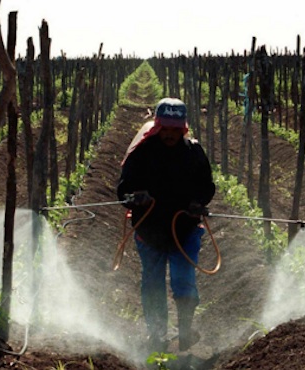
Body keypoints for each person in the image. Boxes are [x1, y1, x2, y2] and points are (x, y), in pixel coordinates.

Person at [117, 97, 216, 352]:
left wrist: (198, 202)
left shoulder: (193, 153)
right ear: (158, 126)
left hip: (185, 229)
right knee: (152, 284)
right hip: (149, 231)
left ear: (183, 128)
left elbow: (207, 187)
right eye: (166, 128)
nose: (170, 134)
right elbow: (123, 190)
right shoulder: (141, 154)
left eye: (176, 129)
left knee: (184, 280)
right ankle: (157, 335)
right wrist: (135, 196)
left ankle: (185, 331)